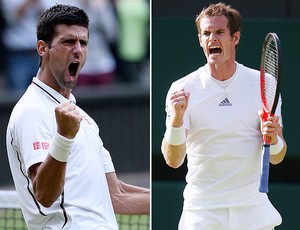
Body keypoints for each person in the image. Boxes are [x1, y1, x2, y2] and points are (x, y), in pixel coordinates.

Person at [6, 4, 149, 230]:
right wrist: (63, 138)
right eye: (68, 42)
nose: (78, 50)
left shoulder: (83, 118)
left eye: (83, 43)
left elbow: (117, 195)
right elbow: (44, 194)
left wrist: (186, 197)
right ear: (42, 48)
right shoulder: (31, 110)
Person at [161, 3, 287, 230]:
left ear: (235, 37)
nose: (212, 39)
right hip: (202, 211)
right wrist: (176, 122)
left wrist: (274, 139)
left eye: (219, 32)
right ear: (200, 40)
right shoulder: (181, 88)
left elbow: (277, 157)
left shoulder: (265, 84)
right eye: (206, 33)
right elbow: (173, 160)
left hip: (252, 210)